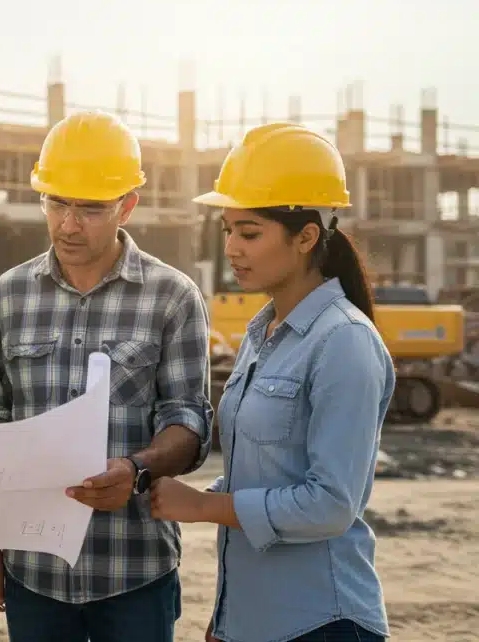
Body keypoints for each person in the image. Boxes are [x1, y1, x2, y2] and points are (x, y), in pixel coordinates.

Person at [0, 110, 214, 642]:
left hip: (134, 572)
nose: (68, 224)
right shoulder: (11, 295)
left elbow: (188, 422)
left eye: (91, 209)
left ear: (128, 204)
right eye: (56, 203)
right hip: (33, 571)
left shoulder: (172, 298)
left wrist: (136, 470)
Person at [150, 122, 394, 642]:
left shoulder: (344, 342)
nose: (233, 248)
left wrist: (203, 507)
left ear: (306, 237)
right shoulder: (263, 333)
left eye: (250, 232)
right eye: (228, 230)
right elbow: (261, 475)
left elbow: (330, 503)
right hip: (252, 623)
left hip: (320, 622)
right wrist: (226, 617)